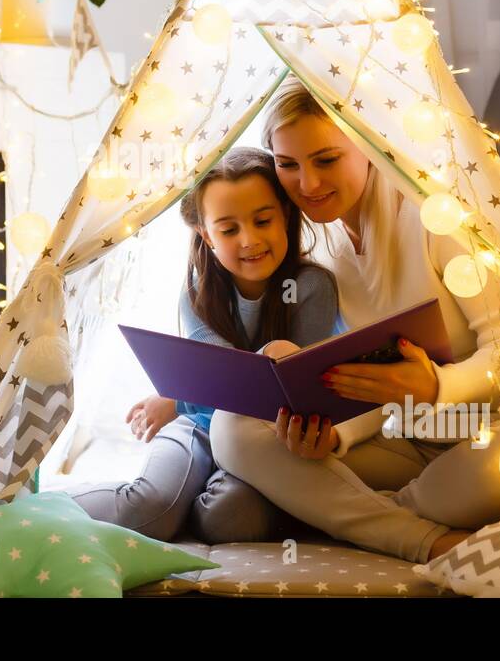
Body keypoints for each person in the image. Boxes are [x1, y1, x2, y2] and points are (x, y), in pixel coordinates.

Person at [210, 77, 500, 564]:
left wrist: (436, 387)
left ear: (369, 146)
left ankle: (357, 518)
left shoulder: (436, 216)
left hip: (489, 426)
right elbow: (371, 378)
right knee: (231, 428)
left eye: (326, 160)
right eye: (287, 165)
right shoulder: (321, 242)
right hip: (399, 434)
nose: (307, 185)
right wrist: (334, 433)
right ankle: (423, 539)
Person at [70, 147, 336, 543]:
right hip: (197, 428)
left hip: (263, 445)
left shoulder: (313, 286)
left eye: (263, 220)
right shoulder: (198, 289)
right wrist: (183, 404)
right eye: (229, 230)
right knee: (149, 507)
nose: (250, 240)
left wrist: (177, 398)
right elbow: (222, 375)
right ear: (206, 234)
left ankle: (190, 505)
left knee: (231, 520)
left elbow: (280, 393)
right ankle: (37, 510)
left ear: (285, 215)